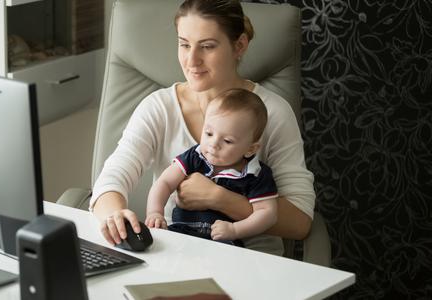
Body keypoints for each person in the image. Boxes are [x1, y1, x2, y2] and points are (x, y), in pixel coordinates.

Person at [90, 0, 315, 255]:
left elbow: (301, 222)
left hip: (252, 261)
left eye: (207, 46)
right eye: (184, 44)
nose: (191, 60)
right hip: (175, 252)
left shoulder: (273, 112)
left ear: (239, 45)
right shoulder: (159, 107)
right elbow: (111, 179)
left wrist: (219, 198)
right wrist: (115, 216)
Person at [144, 89, 278, 247]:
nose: (214, 144)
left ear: (251, 149)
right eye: (208, 133)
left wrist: (235, 230)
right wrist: (155, 212)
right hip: (181, 231)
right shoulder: (195, 156)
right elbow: (164, 183)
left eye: (227, 141)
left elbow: (268, 214)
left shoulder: (256, 174)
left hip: (223, 241)